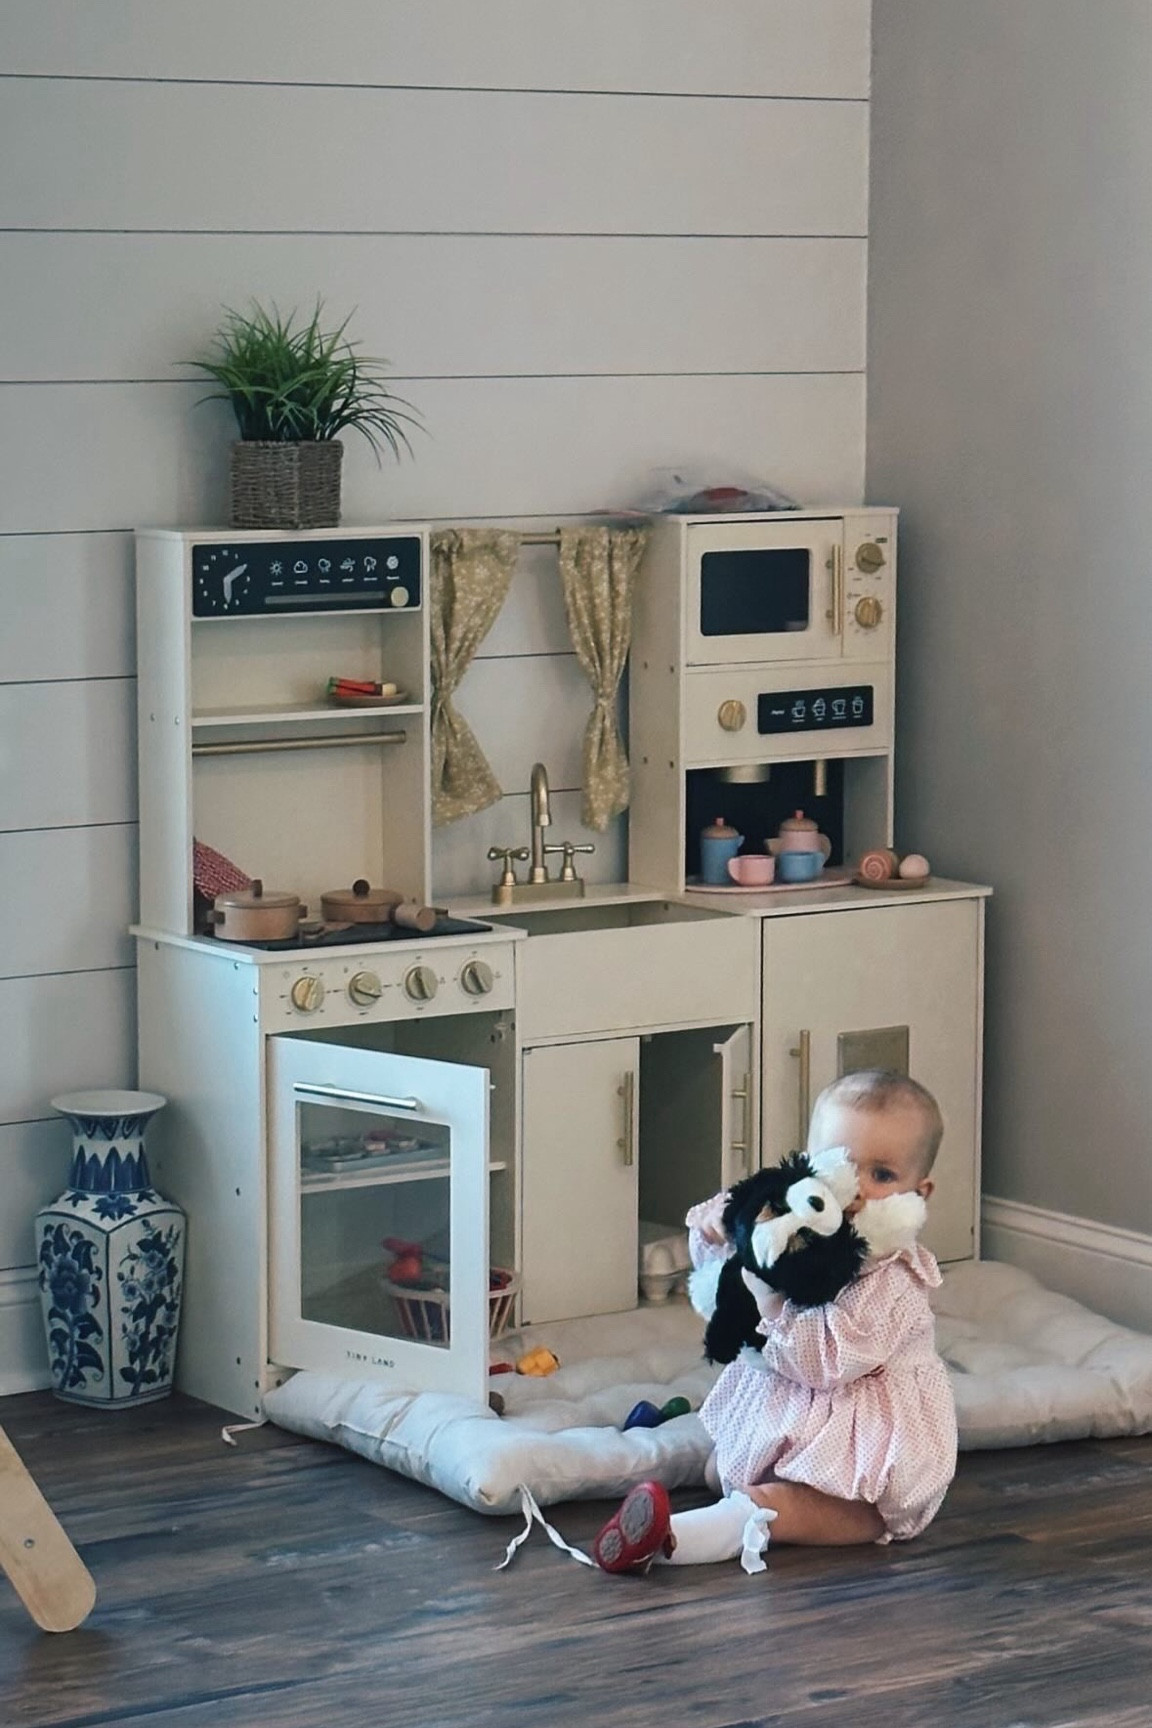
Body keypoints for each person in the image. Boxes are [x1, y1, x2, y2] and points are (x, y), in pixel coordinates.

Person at [591, 1069, 957, 1574]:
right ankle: (740, 1497)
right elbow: (726, 1293)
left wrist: (773, 1307)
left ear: (920, 1191)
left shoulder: (894, 1282)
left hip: (862, 1467)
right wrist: (722, 1237)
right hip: (790, 1415)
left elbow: (826, 1365)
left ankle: (672, 1539)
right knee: (718, 1471)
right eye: (841, 1165)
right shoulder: (796, 1233)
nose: (855, 1193)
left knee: (779, 1504)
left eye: (883, 1175)